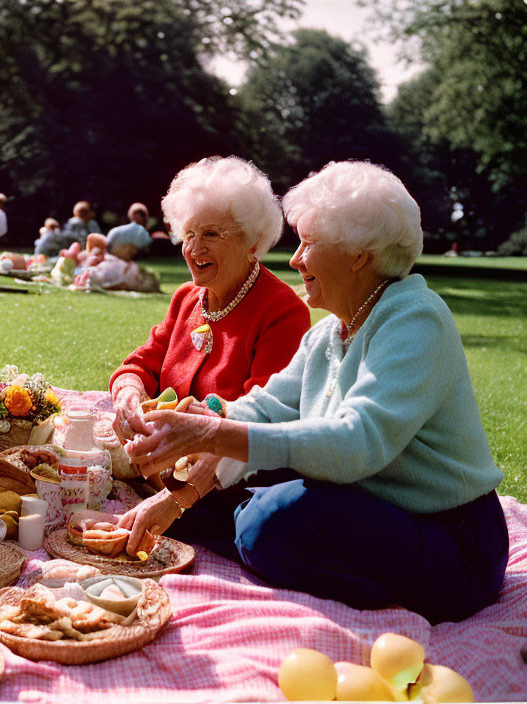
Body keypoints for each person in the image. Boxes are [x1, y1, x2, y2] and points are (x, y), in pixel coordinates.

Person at [123, 161, 508, 625]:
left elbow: (356, 443)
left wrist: (209, 435)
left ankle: (395, 610)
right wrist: (178, 496)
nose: (294, 259)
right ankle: (266, 545)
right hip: (371, 512)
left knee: (271, 519)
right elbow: (263, 409)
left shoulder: (416, 319)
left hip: (452, 541)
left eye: (308, 242)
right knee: (225, 514)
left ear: (358, 254)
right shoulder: (329, 334)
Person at [110, 155, 310, 498]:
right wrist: (128, 393)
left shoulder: (282, 311)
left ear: (252, 241)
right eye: (188, 234)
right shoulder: (187, 297)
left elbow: (258, 419)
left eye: (211, 234)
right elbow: (143, 363)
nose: (194, 248)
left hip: (226, 483)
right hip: (161, 465)